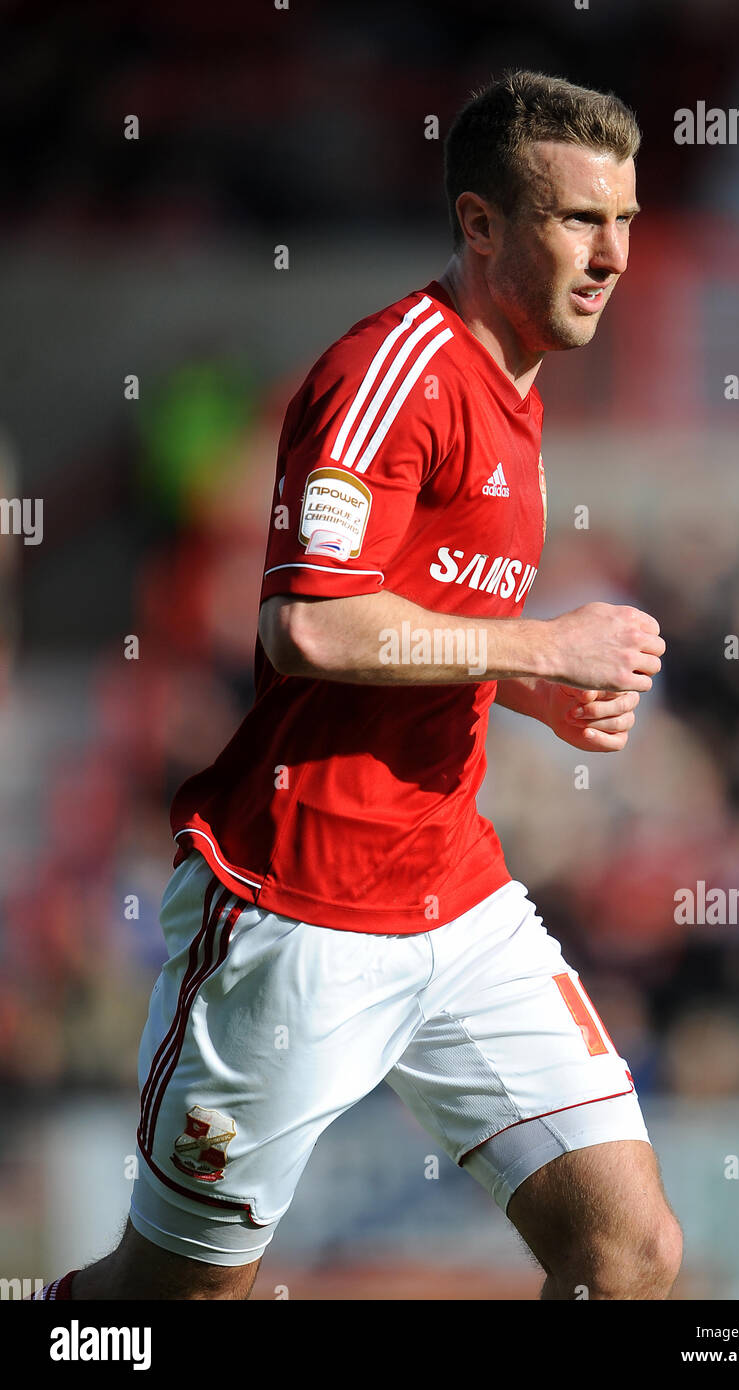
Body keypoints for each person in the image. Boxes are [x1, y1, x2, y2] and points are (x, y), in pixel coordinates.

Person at [38, 68, 680, 1302]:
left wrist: (530, 692)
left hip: (453, 892)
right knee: (169, 1302)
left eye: (626, 220)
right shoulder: (393, 370)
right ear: (481, 224)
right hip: (298, 905)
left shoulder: (520, 387)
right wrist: (546, 648)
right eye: (574, 220)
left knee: (629, 1255)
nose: (609, 255)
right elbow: (310, 630)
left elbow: (427, 619)